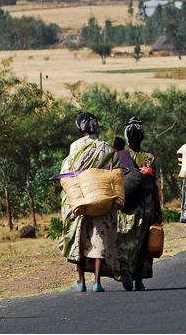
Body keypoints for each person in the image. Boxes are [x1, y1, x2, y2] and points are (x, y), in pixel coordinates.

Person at [59, 110, 118, 293]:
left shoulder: (75, 147)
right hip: (101, 199)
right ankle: (97, 282)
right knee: (99, 238)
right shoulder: (106, 147)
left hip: (80, 200)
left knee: (78, 237)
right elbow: (115, 169)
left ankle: (81, 281)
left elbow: (67, 171)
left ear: (79, 129)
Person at [113, 117, 162, 291]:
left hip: (124, 205)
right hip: (145, 205)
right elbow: (153, 186)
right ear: (142, 136)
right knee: (143, 241)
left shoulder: (119, 157)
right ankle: (139, 279)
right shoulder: (149, 158)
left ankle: (124, 266)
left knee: (125, 237)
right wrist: (159, 210)